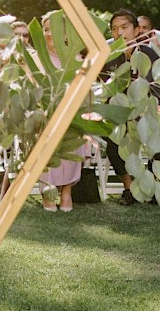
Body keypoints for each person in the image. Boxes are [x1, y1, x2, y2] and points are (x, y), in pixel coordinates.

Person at [99, 9, 160, 205]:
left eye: (124, 27)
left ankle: (151, 184)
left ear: (136, 30)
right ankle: (129, 188)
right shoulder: (108, 56)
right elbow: (104, 90)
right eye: (114, 29)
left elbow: (159, 87)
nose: (119, 32)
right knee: (113, 140)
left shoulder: (149, 53)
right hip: (119, 115)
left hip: (147, 114)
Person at [36, 13, 94, 212]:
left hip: (71, 115)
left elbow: (85, 90)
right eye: (45, 29)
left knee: (74, 133)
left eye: (54, 29)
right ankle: (48, 191)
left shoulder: (76, 58)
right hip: (43, 115)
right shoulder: (37, 58)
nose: (49, 33)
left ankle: (67, 190)